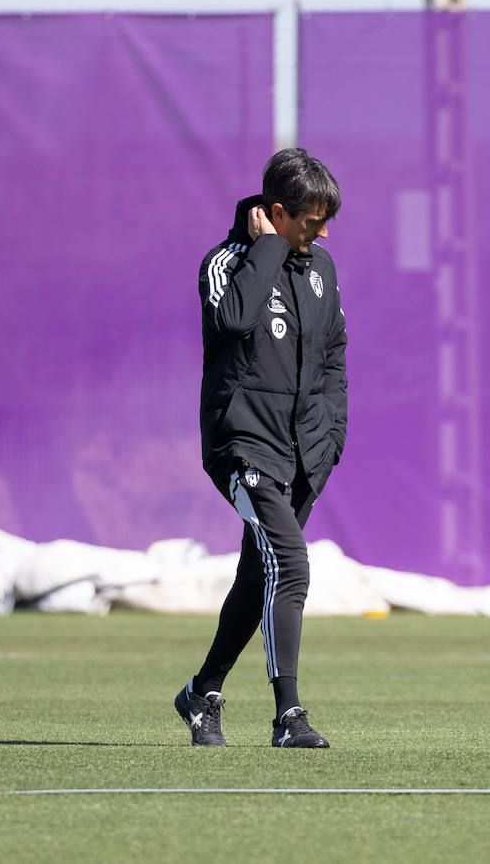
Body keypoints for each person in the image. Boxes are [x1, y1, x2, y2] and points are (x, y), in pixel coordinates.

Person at [174, 148, 347, 748]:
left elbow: (333, 357)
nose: (322, 231)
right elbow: (235, 318)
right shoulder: (226, 263)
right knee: (291, 565)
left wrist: (331, 437)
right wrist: (268, 247)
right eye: (310, 220)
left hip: (302, 453)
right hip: (242, 447)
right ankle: (289, 716)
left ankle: (203, 693)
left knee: (259, 573)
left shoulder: (321, 269)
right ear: (277, 213)